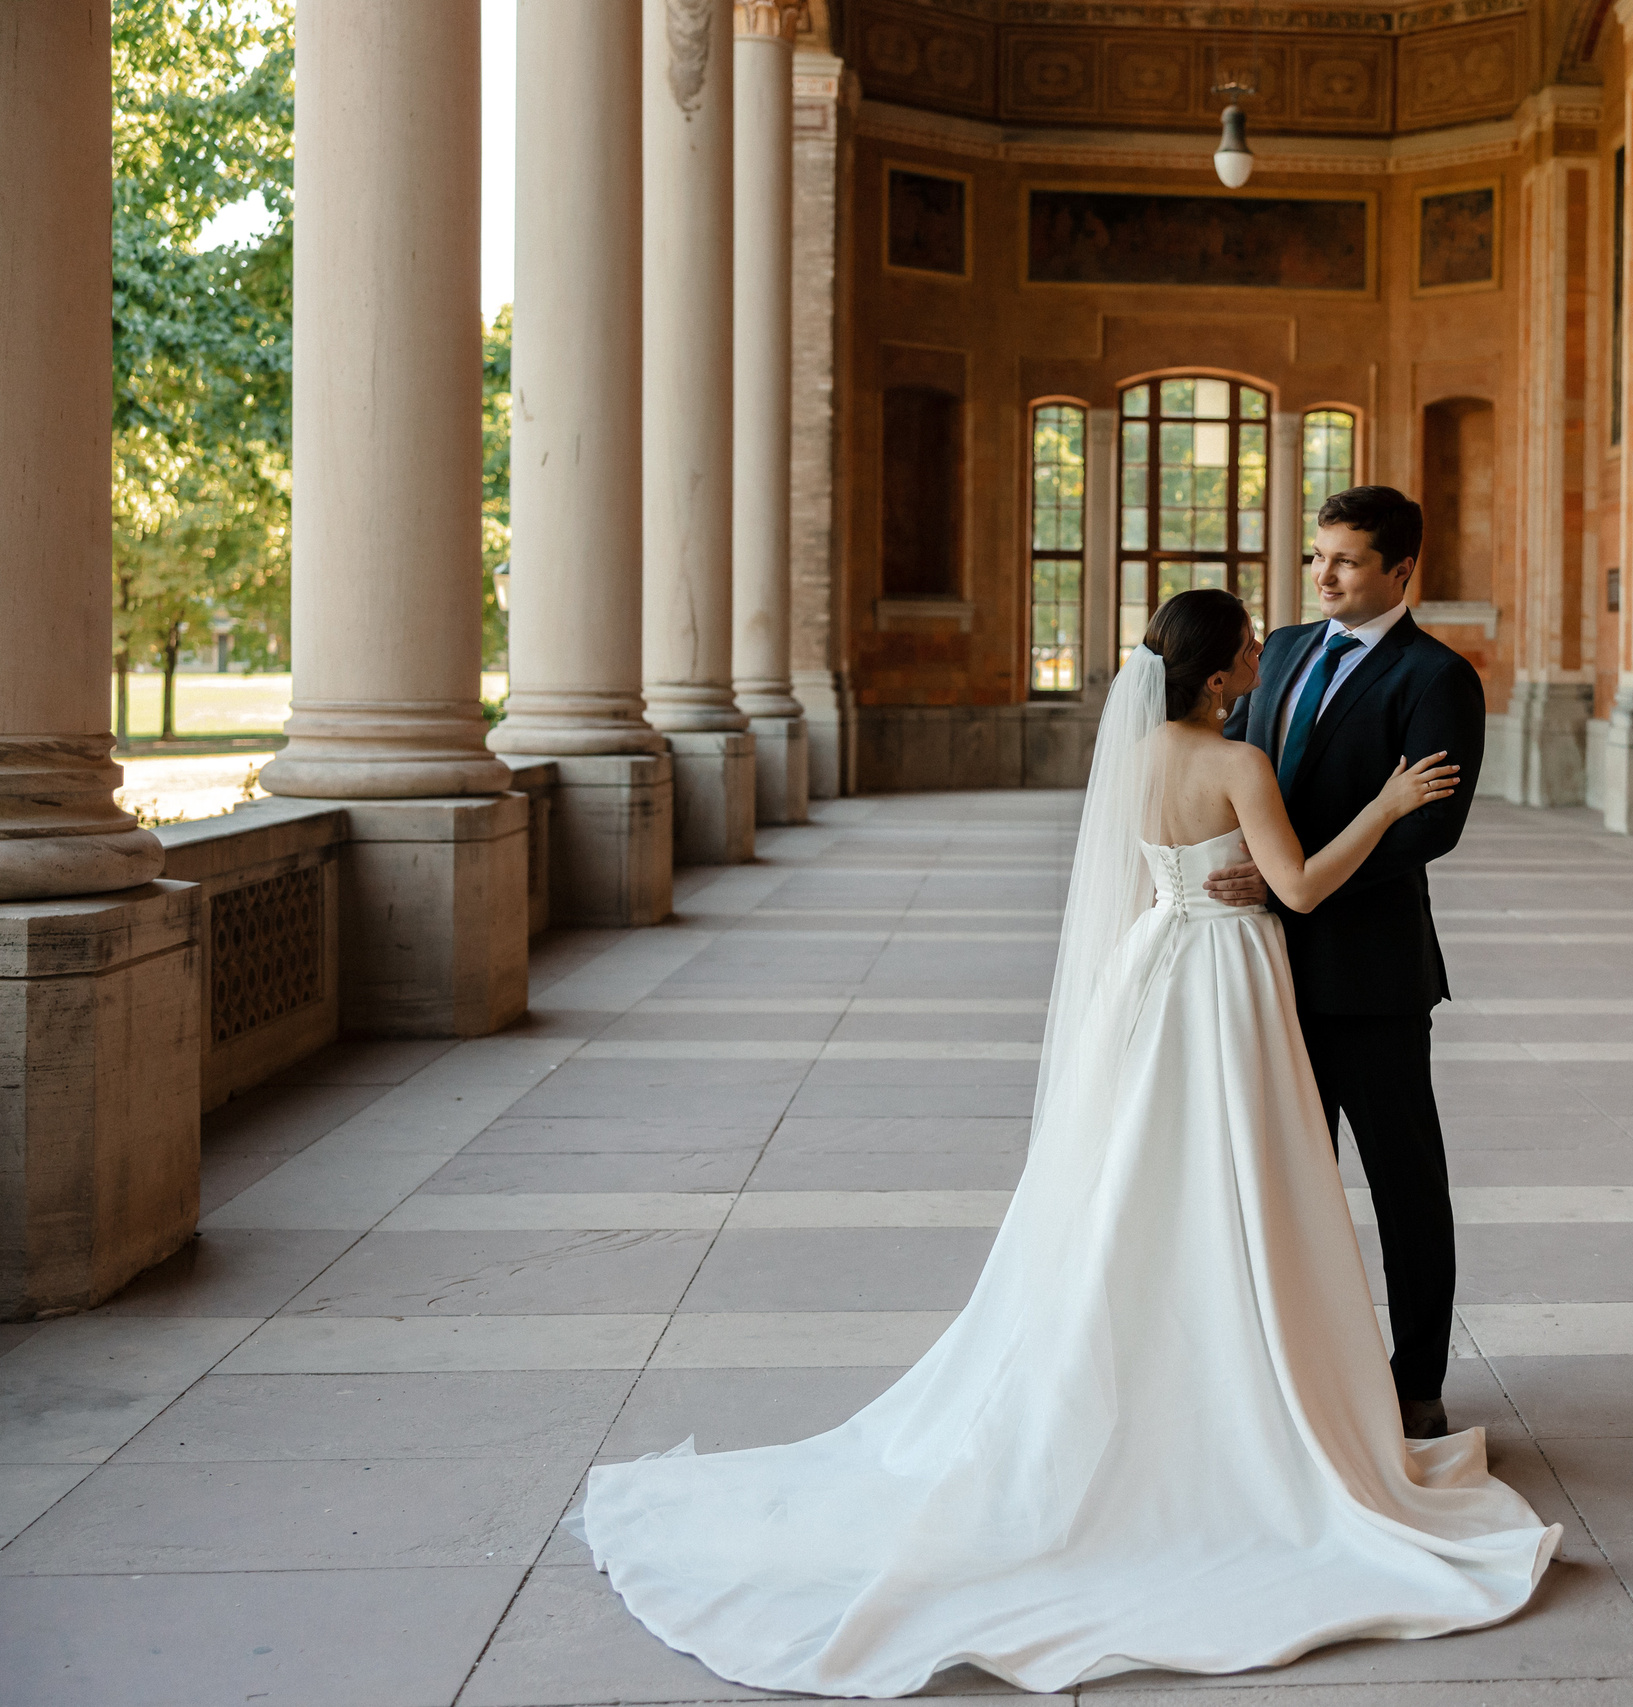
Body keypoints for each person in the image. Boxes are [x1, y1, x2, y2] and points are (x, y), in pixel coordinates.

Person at [565, 588, 1557, 1699]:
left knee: (1149, 1181)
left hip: (1156, 969)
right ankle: (1247, 1379)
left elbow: (1149, 879)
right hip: (1229, 982)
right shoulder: (1239, 767)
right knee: (1245, 1184)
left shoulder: (1136, 757)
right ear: (1227, 674)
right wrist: (1380, 804)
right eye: (1246, 649)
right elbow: (1299, 886)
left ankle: (1165, 1359)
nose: (1261, 654)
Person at [1212, 485, 1486, 1442]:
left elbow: (1432, 831)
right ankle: (1290, 1366)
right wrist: (1249, 872)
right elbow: (1238, 770)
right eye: (1316, 556)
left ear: (1402, 570)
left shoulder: (1436, 677)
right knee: (1280, 1179)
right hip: (1258, 968)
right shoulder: (1282, 649)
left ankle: (1418, 1381)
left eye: (1346, 561)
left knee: (1405, 1186)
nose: (1322, 576)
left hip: (1370, 978)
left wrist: (1299, 879)